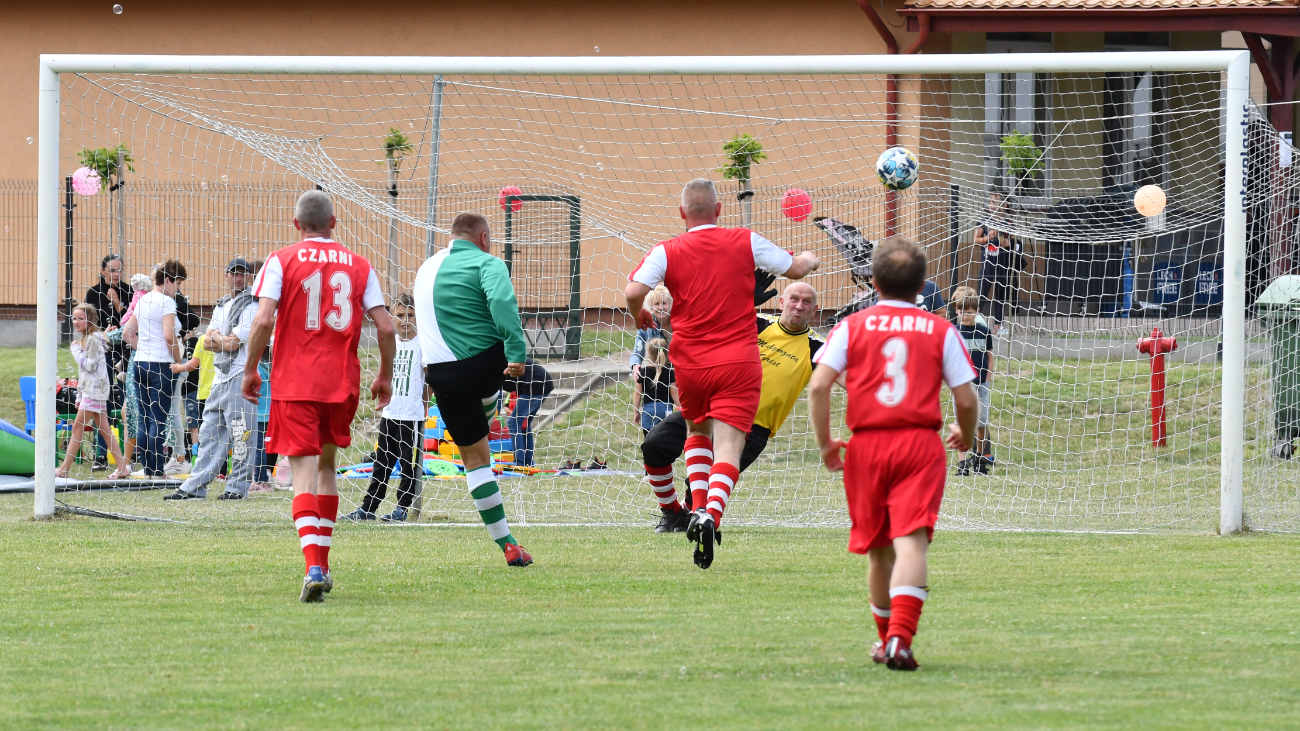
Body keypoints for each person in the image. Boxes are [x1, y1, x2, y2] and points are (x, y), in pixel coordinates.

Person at [625, 178, 819, 568]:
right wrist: (809, 259)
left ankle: (695, 509)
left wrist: (641, 317)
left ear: (683, 214)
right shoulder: (744, 239)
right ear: (718, 210)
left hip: (691, 361)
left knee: (698, 433)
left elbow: (633, 292)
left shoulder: (666, 250)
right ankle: (710, 514)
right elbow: (797, 267)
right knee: (727, 447)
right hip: (737, 360)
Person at [808, 235, 979, 671]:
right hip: (919, 444)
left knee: (879, 549)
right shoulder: (940, 329)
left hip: (866, 445)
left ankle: (887, 640)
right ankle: (900, 640)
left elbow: (819, 385)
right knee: (912, 544)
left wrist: (827, 443)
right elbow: (966, 396)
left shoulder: (851, 326)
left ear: (874, 281)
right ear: (923, 284)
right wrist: (968, 433)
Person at [242, 190, 396, 603]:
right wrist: (384, 375)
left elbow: (262, 319)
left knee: (302, 472)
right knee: (327, 466)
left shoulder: (281, 259)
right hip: (340, 382)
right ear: (334, 223)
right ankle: (323, 565)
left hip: (295, 381)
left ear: (296, 225)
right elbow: (386, 327)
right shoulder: (361, 265)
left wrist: (251, 367)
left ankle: (312, 565)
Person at [640, 282, 822, 533]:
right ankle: (671, 512)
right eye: (794, 299)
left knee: (700, 490)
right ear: (781, 302)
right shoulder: (756, 324)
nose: (799, 306)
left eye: (806, 302)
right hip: (711, 409)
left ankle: (690, 513)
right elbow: (717, 317)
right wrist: (745, 299)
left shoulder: (816, 349)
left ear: (814, 309)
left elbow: (849, 376)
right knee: (654, 445)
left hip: (752, 428)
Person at [413, 212, 532, 567]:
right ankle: (491, 401)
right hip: (484, 364)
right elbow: (501, 303)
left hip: (441, 375)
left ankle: (508, 544)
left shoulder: (424, 269)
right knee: (511, 377)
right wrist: (516, 352)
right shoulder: (488, 262)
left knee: (476, 463)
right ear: (483, 237)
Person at [165, 257, 259, 500]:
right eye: (233, 273)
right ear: (226, 275)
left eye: (242, 274)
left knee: (241, 435)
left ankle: (237, 489)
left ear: (249, 277)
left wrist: (219, 339)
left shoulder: (252, 307)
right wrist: (221, 340)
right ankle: (195, 487)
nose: (238, 278)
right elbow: (207, 343)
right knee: (208, 434)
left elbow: (232, 343)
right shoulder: (221, 305)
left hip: (240, 377)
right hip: (219, 378)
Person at [346, 293, 426, 523]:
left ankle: (402, 508)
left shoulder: (422, 345)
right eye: (400, 315)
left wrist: (424, 406)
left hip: (412, 417)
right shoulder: (390, 343)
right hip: (390, 415)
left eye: (410, 315)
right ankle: (368, 508)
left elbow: (428, 382)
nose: (405, 320)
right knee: (382, 464)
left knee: (408, 466)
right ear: (392, 317)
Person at [123, 260, 187, 478]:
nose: (178, 289)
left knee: (144, 418)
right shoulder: (166, 303)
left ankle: (148, 470)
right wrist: (178, 362)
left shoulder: (142, 300)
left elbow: (127, 334)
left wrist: (144, 349)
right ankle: (158, 471)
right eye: (177, 283)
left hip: (140, 364)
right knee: (158, 419)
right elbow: (169, 337)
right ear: (167, 280)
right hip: (161, 365)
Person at [55, 304, 130, 479]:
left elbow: (90, 365)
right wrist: (80, 395)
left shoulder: (92, 340)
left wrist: (75, 350)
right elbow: (87, 374)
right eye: (74, 318)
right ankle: (122, 468)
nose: (76, 322)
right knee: (104, 429)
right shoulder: (90, 339)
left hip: (95, 392)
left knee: (77, 427)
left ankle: (64, 469)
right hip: (91, 390)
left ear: (90, 320)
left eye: (80, 318)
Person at [83, 253, 132, 470]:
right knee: (102, 402)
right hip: (102, 353)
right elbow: (86, 324)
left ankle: (132, 452)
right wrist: (104, 332)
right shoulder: (93, 293)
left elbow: (133, 321)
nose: (116, 274)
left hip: (125, 353)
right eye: (111, 270)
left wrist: (118, 304)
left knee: (127, 402)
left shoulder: (128, 291)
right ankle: (101, 454)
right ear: (102, 271)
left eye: (119, 270)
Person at [954, 291, 995, 476]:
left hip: (981, 384)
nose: (966, 315)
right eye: (962, 311)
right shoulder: (953, 331)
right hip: (962, 385)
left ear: (977, 311)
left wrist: (987, 377)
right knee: (961, 423)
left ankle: (979, 458)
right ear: (956, 310)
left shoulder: (984, 331)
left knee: (981, 422)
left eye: (970, 312)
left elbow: (989, 355)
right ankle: (962, 464)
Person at [974, 190, 1020, 330]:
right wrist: (988, 237)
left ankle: (998, 325)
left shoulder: (1008, 222)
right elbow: (976, 240)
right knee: (983, 290)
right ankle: (976, 321)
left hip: (1003, 261)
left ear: (1004, 205)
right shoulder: (984, 220)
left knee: (1000, 292)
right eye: (990, 202)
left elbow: (1014, 241)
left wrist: (1009, 243)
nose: (991, 205)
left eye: (995, 202)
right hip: (988, 260)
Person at [502, 357, 554, 467]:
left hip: (536, 385)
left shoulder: (497, 362)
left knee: (514, 423)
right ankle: (528, 463)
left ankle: (520, 463)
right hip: (541, 384)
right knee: (523, 424)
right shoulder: (502, 358)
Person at [634, 337, 676, 436]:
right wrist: (681, 409)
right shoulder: (670, 373)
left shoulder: (642, 372)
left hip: (648, 411)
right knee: (665, 438)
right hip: (666, 410)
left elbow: (637, 394)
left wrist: (636, 412)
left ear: (648, 354)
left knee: (649, 440)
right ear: (666, 354)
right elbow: (674, 393)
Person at [629, 285, 672, 381]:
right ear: (651, 306)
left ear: (670, 305)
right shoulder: (647, 325)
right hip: (657, 371)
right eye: (657, 304)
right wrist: (635, 365)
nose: (661, 307)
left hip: (678, 369)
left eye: (664, 303)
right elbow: (637, 351)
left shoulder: (679, 322)